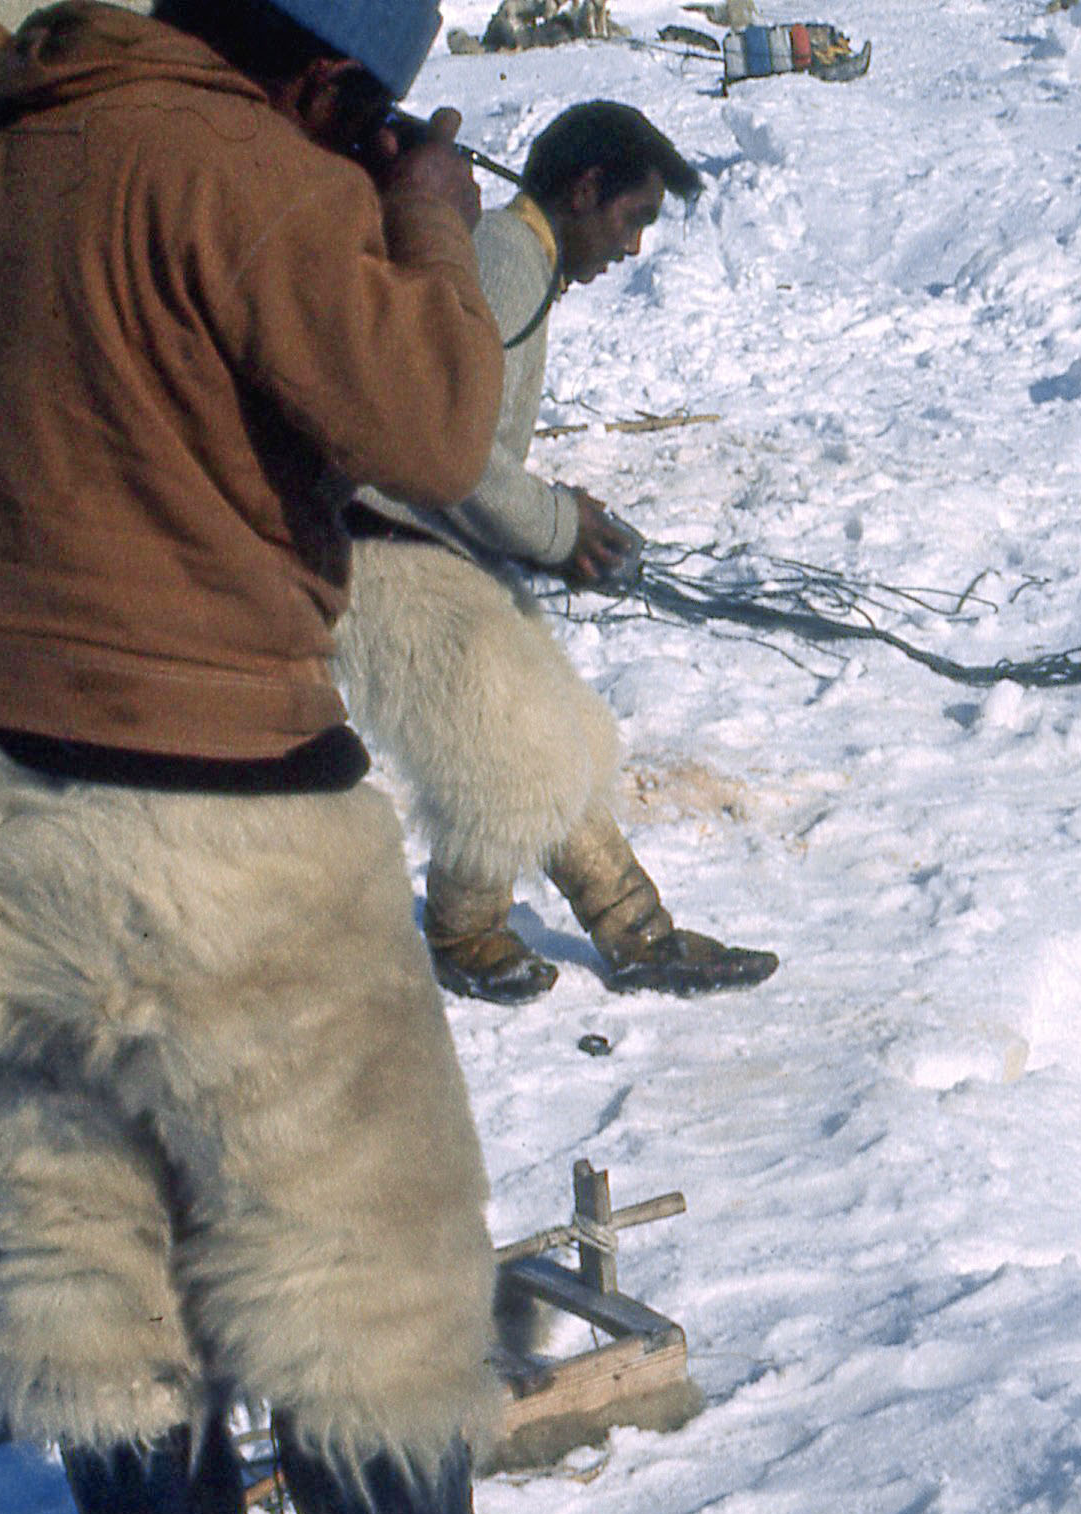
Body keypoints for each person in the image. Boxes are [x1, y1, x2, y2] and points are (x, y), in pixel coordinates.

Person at [0, 0, 608, 1514]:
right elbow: (433, 434)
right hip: (207, 798)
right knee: (361, 1226)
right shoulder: (245, 170)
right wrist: (421, 212)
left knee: (89, 1227)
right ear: (324, 72)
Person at [332, 99, 780, 1004]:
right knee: (508, 743)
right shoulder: (500, 258)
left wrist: (555, 525)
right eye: (633, 219)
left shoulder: (520, 260)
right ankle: (473, 934)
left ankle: (628, 928)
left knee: (551, 729)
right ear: (585, 190)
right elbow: (444, 450)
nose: (633, 249)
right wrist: (558, 529)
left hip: (429, 543)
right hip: (383, 548)